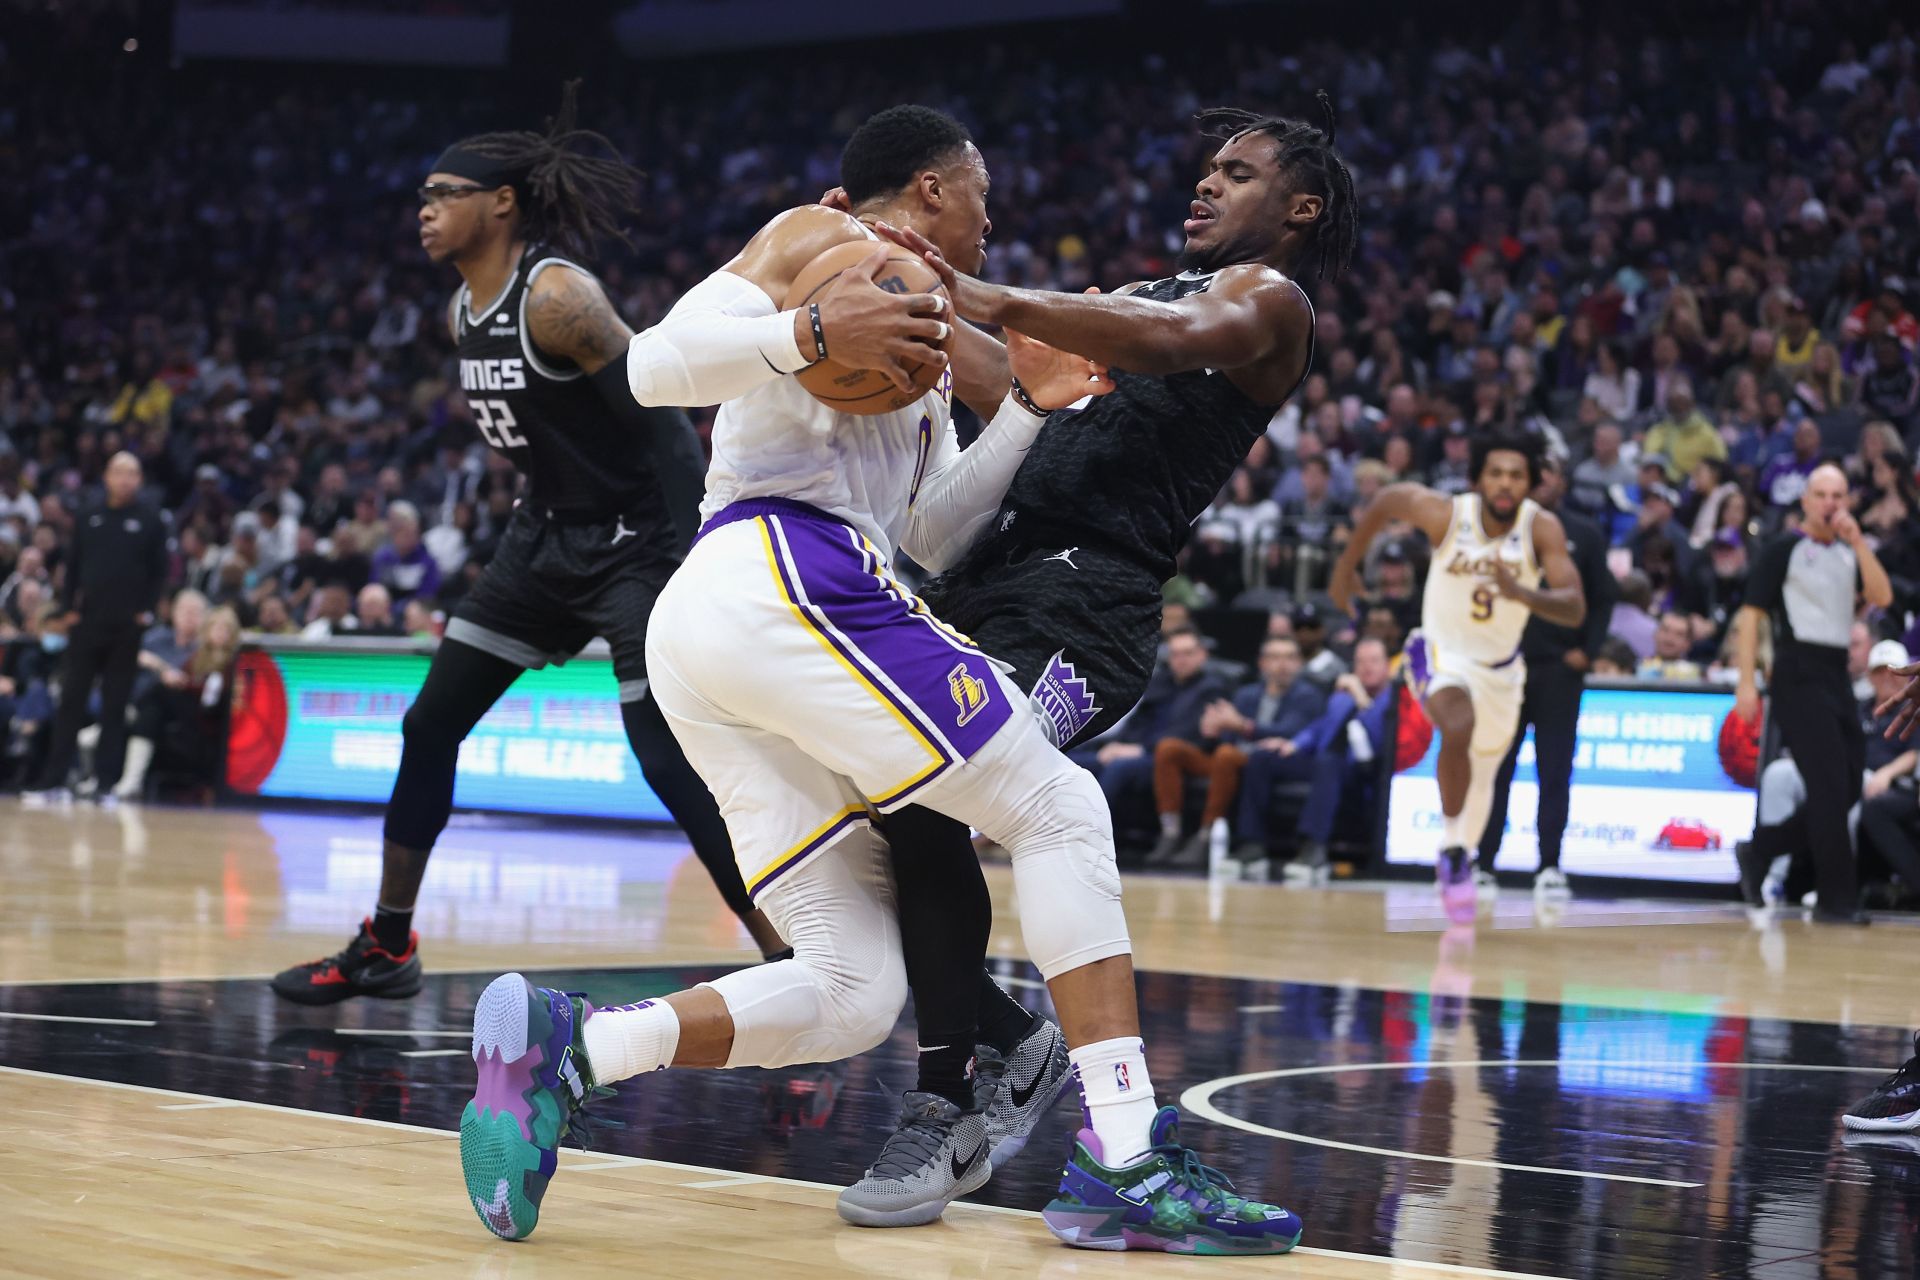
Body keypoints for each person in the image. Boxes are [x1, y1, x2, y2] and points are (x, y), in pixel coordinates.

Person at [462, 103, 1303, 1254]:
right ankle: (1123, 1152)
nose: (995, 223)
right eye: (984, 198)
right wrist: (803, 334)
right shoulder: (815, 234)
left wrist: (1020, 409)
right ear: (937, 188)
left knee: (854, 985)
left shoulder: (931, 336)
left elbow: (934, 529)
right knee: (1058, 805)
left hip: (746, 629)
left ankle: (578, 1048)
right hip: (781, 572)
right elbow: (654, 366)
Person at [862, 98, 1331, 1214]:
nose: (1206, 184)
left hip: (1092, 603)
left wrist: (994, 294)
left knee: (946, 789)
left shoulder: (1271, 302)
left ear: (1298, 207)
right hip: (985, 574)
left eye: (1239, 172)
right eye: (1206, 167)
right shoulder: (1131, 299)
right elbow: (1007, 377)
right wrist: (911, 295)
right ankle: (1008, 1037)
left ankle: (976, 1100)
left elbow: (1164, 344)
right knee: (879, 809)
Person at [271, 87, 788, 1007]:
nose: (424, 208)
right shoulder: (459, 312)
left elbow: (664, 423)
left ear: (500, 202)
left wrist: (693, 547)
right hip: (541, 540)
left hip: (635, 545)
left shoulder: (557, 296)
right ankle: (388, 944)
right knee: (430, 724)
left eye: (444, 191)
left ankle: (793, 961)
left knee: (664, 760)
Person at [1330, 430, 1586, 920]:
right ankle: (1450, 847)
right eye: (1496, 473)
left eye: (1516, 475)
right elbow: (1388, 499)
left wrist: (1522, 593)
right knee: (1457, 723)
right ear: (1478, 479)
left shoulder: (1542, 528)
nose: (1505, 483)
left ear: (1530, 483)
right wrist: (1346, 567)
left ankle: (1460, 855)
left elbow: (1574, 608)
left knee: (1484, 775)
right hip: (1437, 653)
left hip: (1501, 672)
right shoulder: (1449, 514)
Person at [1734, 463, 1893, 925]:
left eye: (1839, 495)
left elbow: (1880, 596)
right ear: (1805, 501)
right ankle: (1836, 901)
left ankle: (1760, 849)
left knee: (1845, 789)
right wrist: (1747, 682)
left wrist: (1860, 541)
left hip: (1837, 672)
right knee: (1826, 785)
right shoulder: (1783, 548)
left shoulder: (1848, 552)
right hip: (1796, 671)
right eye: (1821, 494)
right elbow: (1750, 616)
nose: (1830, 503)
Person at [1476, 455, 1612, 904]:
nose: (1540, 482)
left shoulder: (1583, 534)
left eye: (1547, 475)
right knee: (1496, 768)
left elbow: (1603, 598)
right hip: (1505, 667)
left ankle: (1550, 865)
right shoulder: (1497, 530)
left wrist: (1588, 653)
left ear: (1561, 482)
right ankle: (1483, 863)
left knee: (1555, 770)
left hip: (1558, 670)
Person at [22, 452, 169, 806]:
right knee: (70, 702)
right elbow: (72, 567)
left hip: (126, 628)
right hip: (87, 624)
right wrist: (69, 608)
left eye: (132, 473)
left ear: (140, 480)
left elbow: (159, 572)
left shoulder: (150, 521)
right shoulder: (90, 516)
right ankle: (53, 781)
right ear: (106, 476)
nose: (125, 479)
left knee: (115, 708)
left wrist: (146, 612)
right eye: (119, 472)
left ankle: (105, 785)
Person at [1147, 635, 1325, 868]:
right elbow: (1228, 734)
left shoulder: (1308, 695)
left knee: (1227, 755)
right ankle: (1170, 830)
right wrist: (1213, 730)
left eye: (1290, 658)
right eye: (1275, 657)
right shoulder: (1247, 693)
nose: (1282, 664)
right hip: (1230, 759)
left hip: (1268, 762)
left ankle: (1206, 835)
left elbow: (1290, 731)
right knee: (1169, 748)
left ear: (1299, 663)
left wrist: (1241, 726)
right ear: (1262, 663)